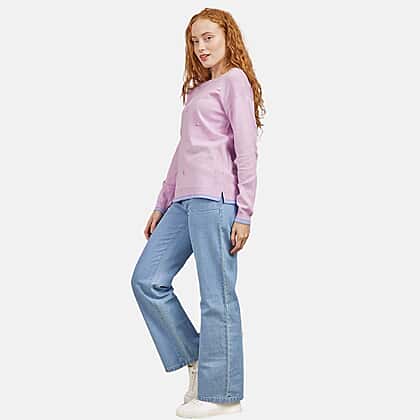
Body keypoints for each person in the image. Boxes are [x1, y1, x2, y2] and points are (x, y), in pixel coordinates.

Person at [131, 7, 265, 418]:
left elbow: (246, 149)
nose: (201, 47)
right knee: (147, 279)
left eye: (208, 37)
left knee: (216, 297)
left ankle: (223, 395)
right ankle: (197, 361)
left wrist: (244, 213)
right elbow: (182, 151)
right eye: (194, 40)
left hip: (217, 200)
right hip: (183, 201)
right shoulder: (197, 91)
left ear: (227, 36)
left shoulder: (234, 82)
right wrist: (162, 202)